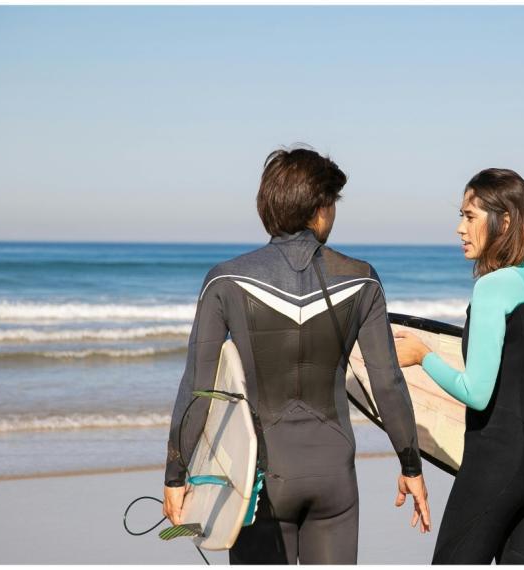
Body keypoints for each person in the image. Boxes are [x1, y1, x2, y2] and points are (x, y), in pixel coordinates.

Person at [163, 146, 430, 564]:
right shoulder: (362, 280)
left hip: (261, 480)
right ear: (319, 209)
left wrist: (175, 474)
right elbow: (387, 382)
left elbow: (198, 386)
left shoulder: (225, 281)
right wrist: (411, 466)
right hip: (334, 478)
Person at [395, 168, 524, 564]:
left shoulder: (492, 287)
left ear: (504, 221)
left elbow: (477, 393)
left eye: (470, 217)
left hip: (496, 462)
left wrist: (424, 356)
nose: (460, 229)